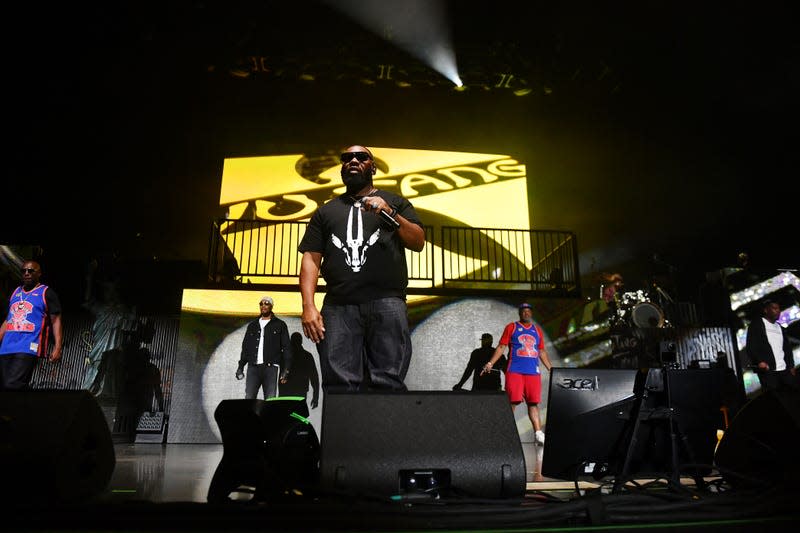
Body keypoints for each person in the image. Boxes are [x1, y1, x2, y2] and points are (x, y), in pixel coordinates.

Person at [298, 145, 425, 391]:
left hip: (386, 302)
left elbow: (417, 241)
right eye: (346, 158)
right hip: (338, 306)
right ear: (342, 168)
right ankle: (345, 430)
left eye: (361, 157)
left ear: (373, 167)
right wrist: (308, 306)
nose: (353, 160)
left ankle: (383, 429)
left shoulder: (395, 202)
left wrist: (389, 212)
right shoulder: (326, 211)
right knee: (339, 384)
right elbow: (311, 259)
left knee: (388, 380)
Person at [482, 303, 552, 445]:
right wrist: (490, 363)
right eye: (523, 311)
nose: (526, 313)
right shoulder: (512, 327)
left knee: (533, 403)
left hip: (533, 372)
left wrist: (551, 368)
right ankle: (504, 432)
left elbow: (541, 351)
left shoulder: (537, 330)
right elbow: (502, 346)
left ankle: (538, 434)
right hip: (515, 371)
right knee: (512, 402)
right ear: (519, 313)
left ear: (531, 313)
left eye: (528, 311)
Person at [0, 260, 63, 390]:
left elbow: (55, 320)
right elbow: (7, 320)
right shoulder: (15, 293)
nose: (27, 273)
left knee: (13, 384)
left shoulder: (46, 292)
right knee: (6, 386)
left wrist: (58, 347)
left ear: (39, 273)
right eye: (23, 271)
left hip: (28, 346)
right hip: (7, 346)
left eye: (30, 271)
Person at [235, 295, 291, 399]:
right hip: (253, 368)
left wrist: (286, 370)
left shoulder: (280, 325)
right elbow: (245, 348)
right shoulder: (252, 325)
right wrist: (240, 367)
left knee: (270, 400)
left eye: (266, 303)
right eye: (261, 303)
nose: (263, 306)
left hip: (270, 369)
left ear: (271, 306)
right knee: (249, 398)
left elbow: (287, 348)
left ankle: (268, 416)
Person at [745, 298, 797, 393]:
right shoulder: (757, 325)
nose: (778, 311)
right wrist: (759, 361)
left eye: (779, 309)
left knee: (792, 397)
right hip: (768, 371)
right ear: (766, 310)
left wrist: (791, 366)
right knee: (774, 400)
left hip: (785, 371)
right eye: (774, 308)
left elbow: (787, 349)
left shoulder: (780, 327)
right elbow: (751, 346)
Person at [279, 332, 320, 409]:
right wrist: (315, 397)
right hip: (300, 392)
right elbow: (314, 378)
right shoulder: (308, 356)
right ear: (301, 342)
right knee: (298, 417)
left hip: (285, 392)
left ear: (291, 341)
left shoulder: (283, 355)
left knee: (285, 417)